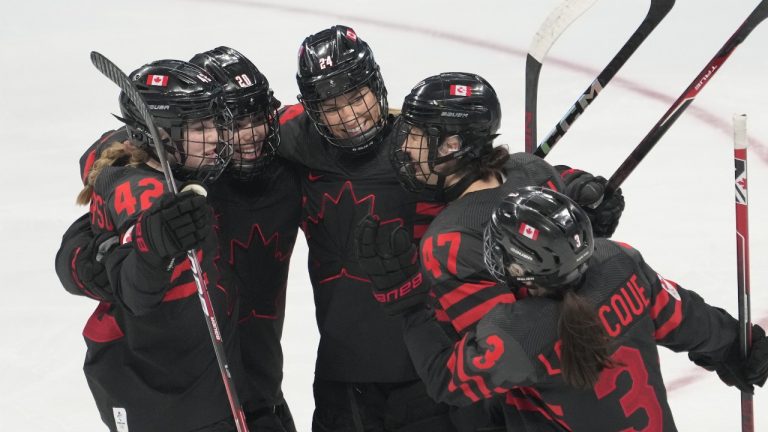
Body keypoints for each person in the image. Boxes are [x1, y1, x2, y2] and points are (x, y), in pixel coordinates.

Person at [355, 72, 625, 429]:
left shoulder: (448, 241)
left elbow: (503, 358)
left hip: (524, 410)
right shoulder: (533, 169)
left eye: (417, 136)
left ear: (451, 145)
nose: (405, 147)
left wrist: (408, 306)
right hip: (597, 379)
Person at [56, 48, 303, 431]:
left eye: (224, 122)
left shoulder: (267, 163)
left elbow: (327, 113)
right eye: (227, 123)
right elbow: (113, 263)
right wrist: (120, 249)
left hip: (248, 388)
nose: (242, 135)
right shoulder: (147, 182)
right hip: (170, 398)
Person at [403, 186, 768, 431]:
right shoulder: (619, 262)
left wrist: (405, 303)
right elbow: (684, 317)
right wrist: (734, 343)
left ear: (519, 267)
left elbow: (444, 381)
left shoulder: (518, 333)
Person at [277, 25, 457, 431]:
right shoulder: (296, 140)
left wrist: (567, 185)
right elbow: (203, 133)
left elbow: (499, 171)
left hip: (429, 373)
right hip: (343, 381)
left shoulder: (421, 146)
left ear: (376, 85)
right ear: (312, 109)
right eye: (330, 106)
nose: (348, 117)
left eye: (356, 97)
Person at [70, 59, 246, 431]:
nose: (215, 135)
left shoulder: (158, 163)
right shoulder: (143, 191)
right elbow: (135, 290)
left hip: (189, 379)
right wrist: (154, 243)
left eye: (213, 122)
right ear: (160, 134)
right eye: (200, 126)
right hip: (153, 390)